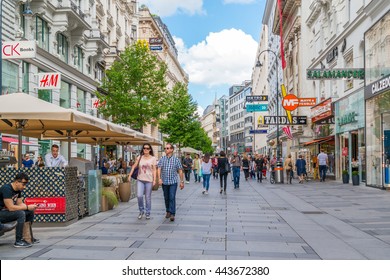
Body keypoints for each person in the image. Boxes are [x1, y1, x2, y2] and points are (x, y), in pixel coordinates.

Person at [0, 172, 39, 248]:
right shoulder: (6, 189)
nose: (24, 187)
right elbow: (11, 207)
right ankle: (18, 241)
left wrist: (30, 207)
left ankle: (28, 237)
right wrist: (27, 207)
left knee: (29, 212)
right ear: (17, 182)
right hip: (1, 212)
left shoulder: (18, 190)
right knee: (20, 213)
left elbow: (20, 204)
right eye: (23, 184)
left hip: (5, 212)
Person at [128, 143, 157, 220]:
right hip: (140, 179)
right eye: (144, 148)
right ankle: (141, 210)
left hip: (149, 180)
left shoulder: (153, 158)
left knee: (147, 197)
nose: (145, 150)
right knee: (139, 195)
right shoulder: (139, 157)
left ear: (150, 149)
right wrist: (129, 175)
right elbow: (134, 166)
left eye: (147, 148)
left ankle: (147, 212)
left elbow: (154, 170)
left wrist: (154, 180)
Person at [157, 143, 184, 222]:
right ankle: (168, 211)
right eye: (165, 148)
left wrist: (182, 181)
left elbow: (180, 170)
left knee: (172, 197)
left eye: (168, 148)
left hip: (173, 182)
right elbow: (159, 169)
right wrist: (159, 178)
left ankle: (172, 213)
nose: (166, 149)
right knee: (166, 197)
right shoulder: (162, 159)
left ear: (172, 149)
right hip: (164, 182)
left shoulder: (176, 160)